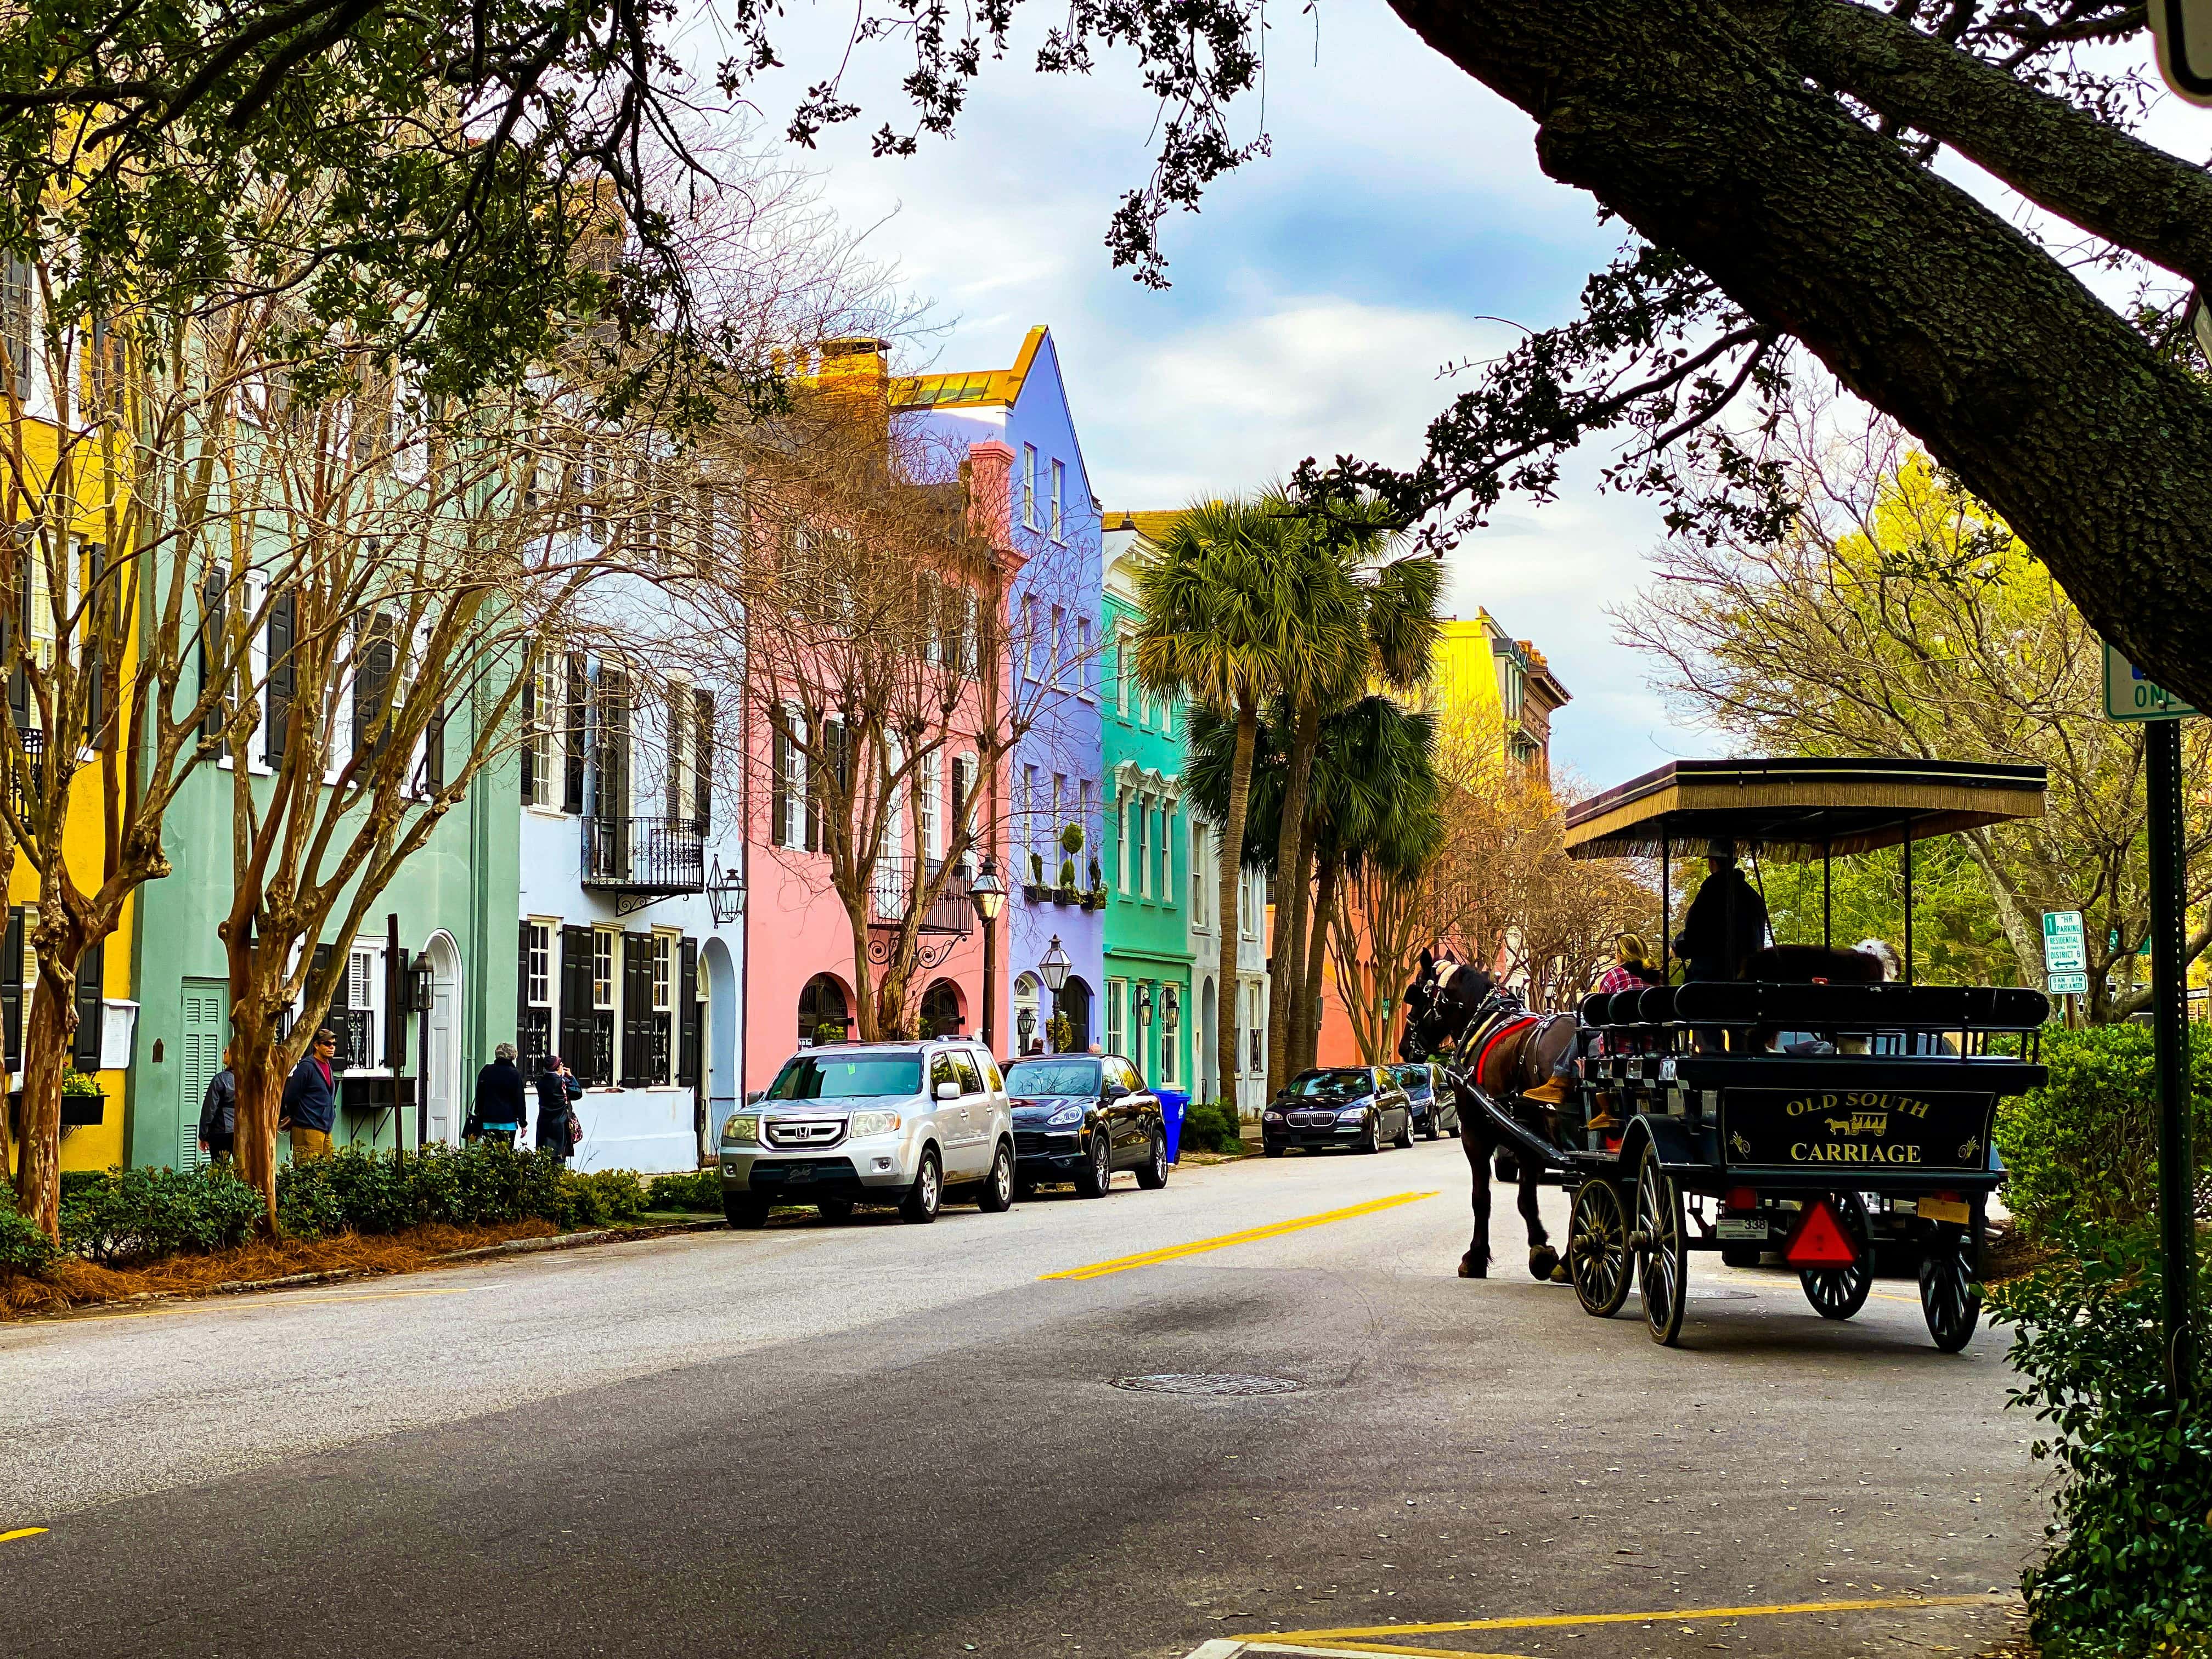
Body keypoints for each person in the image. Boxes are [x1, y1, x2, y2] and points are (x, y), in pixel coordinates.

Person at [1674, 840, 1770, 982]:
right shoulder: (1752, 896)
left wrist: (1677, 945)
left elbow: (1695, 939)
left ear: (1712, 862)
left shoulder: (1709, 894)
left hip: (1709, 981)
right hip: (1747, 980)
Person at [279, 1027, 340, 1161]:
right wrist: (295, 1116)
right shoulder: (307, 1067)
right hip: (308, 1127)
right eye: (327, 1044)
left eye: (334, 1044)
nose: (332, 1047)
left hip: (326, 1128)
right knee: (308, 1171)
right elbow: (291, 1097)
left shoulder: (327, 1065)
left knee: (327, 1172)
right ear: (317, 1045)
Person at [473, 1041, 529, 1148]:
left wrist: (479, 1114)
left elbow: (479, 1095)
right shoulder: (515, 1074)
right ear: (513, 1057)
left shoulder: (486, 1071)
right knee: (506, 1155)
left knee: (490, 1156)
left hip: (488, 1121)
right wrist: (523, 1123)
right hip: (508, 1122)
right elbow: (520, 1100)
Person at [535, 1052, 584, 1161]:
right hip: (560, 1124)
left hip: (544, 1123)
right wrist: (571, 1077)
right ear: (558, 1068)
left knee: (545, 1157)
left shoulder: (540, 1083)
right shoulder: (562, 1083)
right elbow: (578, 1093)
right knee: (559, 1158)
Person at [197, 1045, 238, 1164]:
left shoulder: (220, 1080)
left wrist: (203, 1135)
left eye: (226, 1051)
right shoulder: (248, 1080)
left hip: (221, 1131)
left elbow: (209, 1109)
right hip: (242, 1131)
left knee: (219, 1172)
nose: (224, 1052)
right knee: (242, 1171)